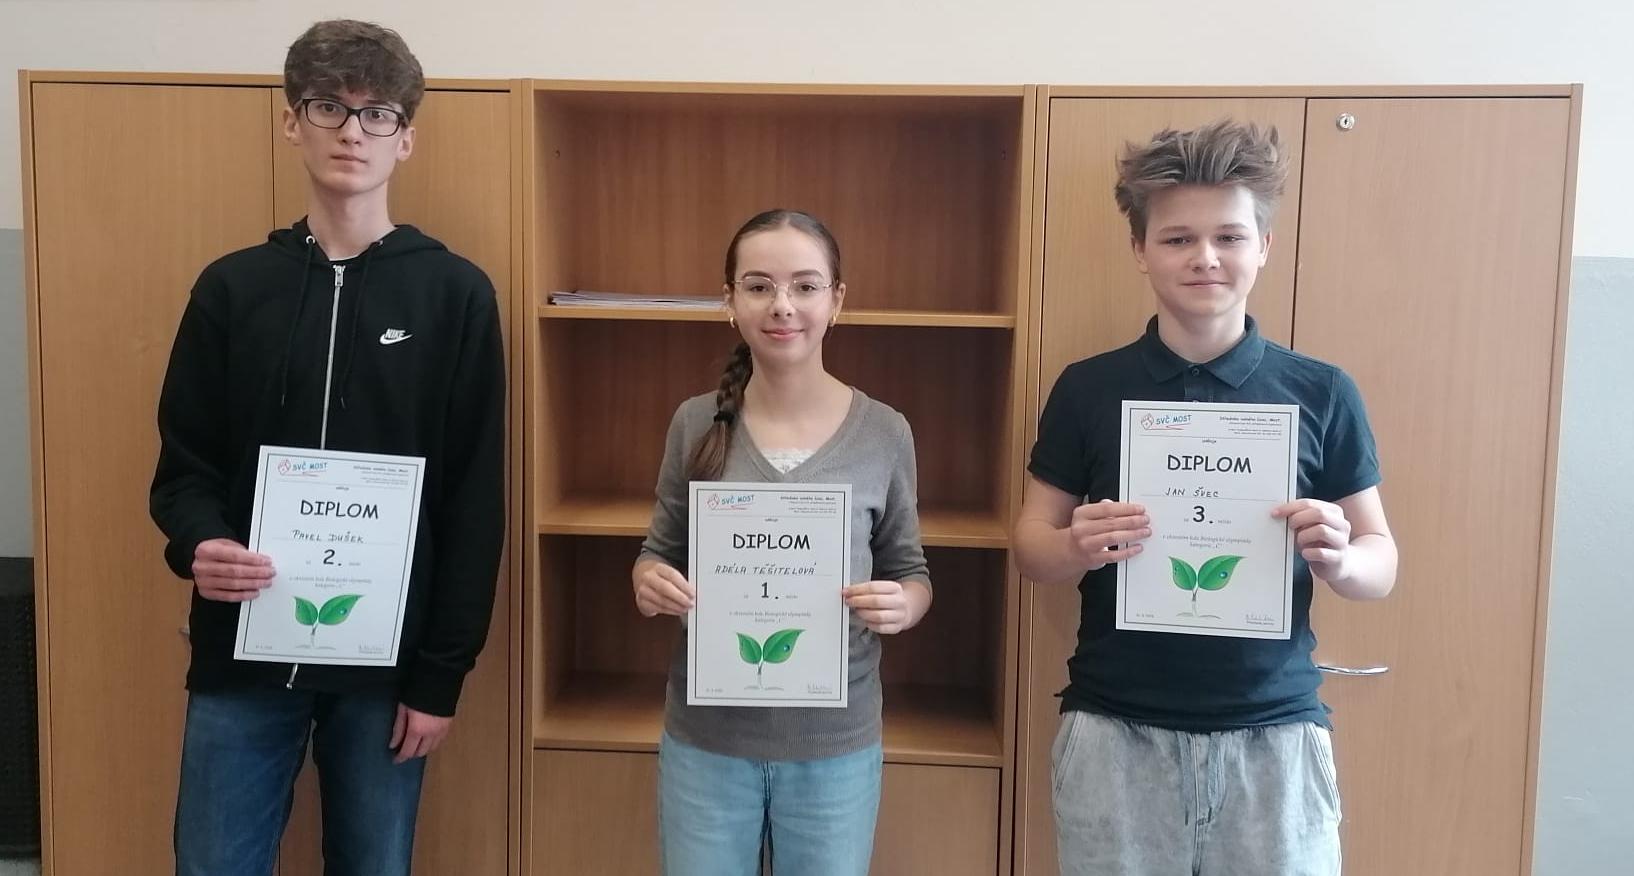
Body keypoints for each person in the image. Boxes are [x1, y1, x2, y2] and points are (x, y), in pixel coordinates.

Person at [149, 19, 506, 876]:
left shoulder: (455, 294)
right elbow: (183, 468)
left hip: (387, 667)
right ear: (292, 122)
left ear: (405, 138)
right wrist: (200, 544)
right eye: (328, 108)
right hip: (242, 653)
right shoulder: (232, 288)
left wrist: (440, 677)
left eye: (378, 114)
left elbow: (473, 499)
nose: (353, 131)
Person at [1013, 120, 1398, 875]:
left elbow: (1380, 561)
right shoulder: (1088, 388)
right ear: (1140, 249)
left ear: (1265, 246)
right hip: (1115, 732)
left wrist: (1341, 558)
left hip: (1275, 736)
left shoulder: (1321, 391)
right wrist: (1073, 545)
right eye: (1178, 238)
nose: (1205, 257)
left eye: (1229, 236)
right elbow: (1032, 547)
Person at [632, 209, 932, 876]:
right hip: (707, 742)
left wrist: (904, 605)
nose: (782, 305)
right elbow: (657, 552)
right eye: (759, 285)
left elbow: (911, 569)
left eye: (805, 285)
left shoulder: (885, 431)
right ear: (730, 301)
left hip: (836, 747)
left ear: (837, 300)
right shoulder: (693, 422)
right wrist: (649, 583)